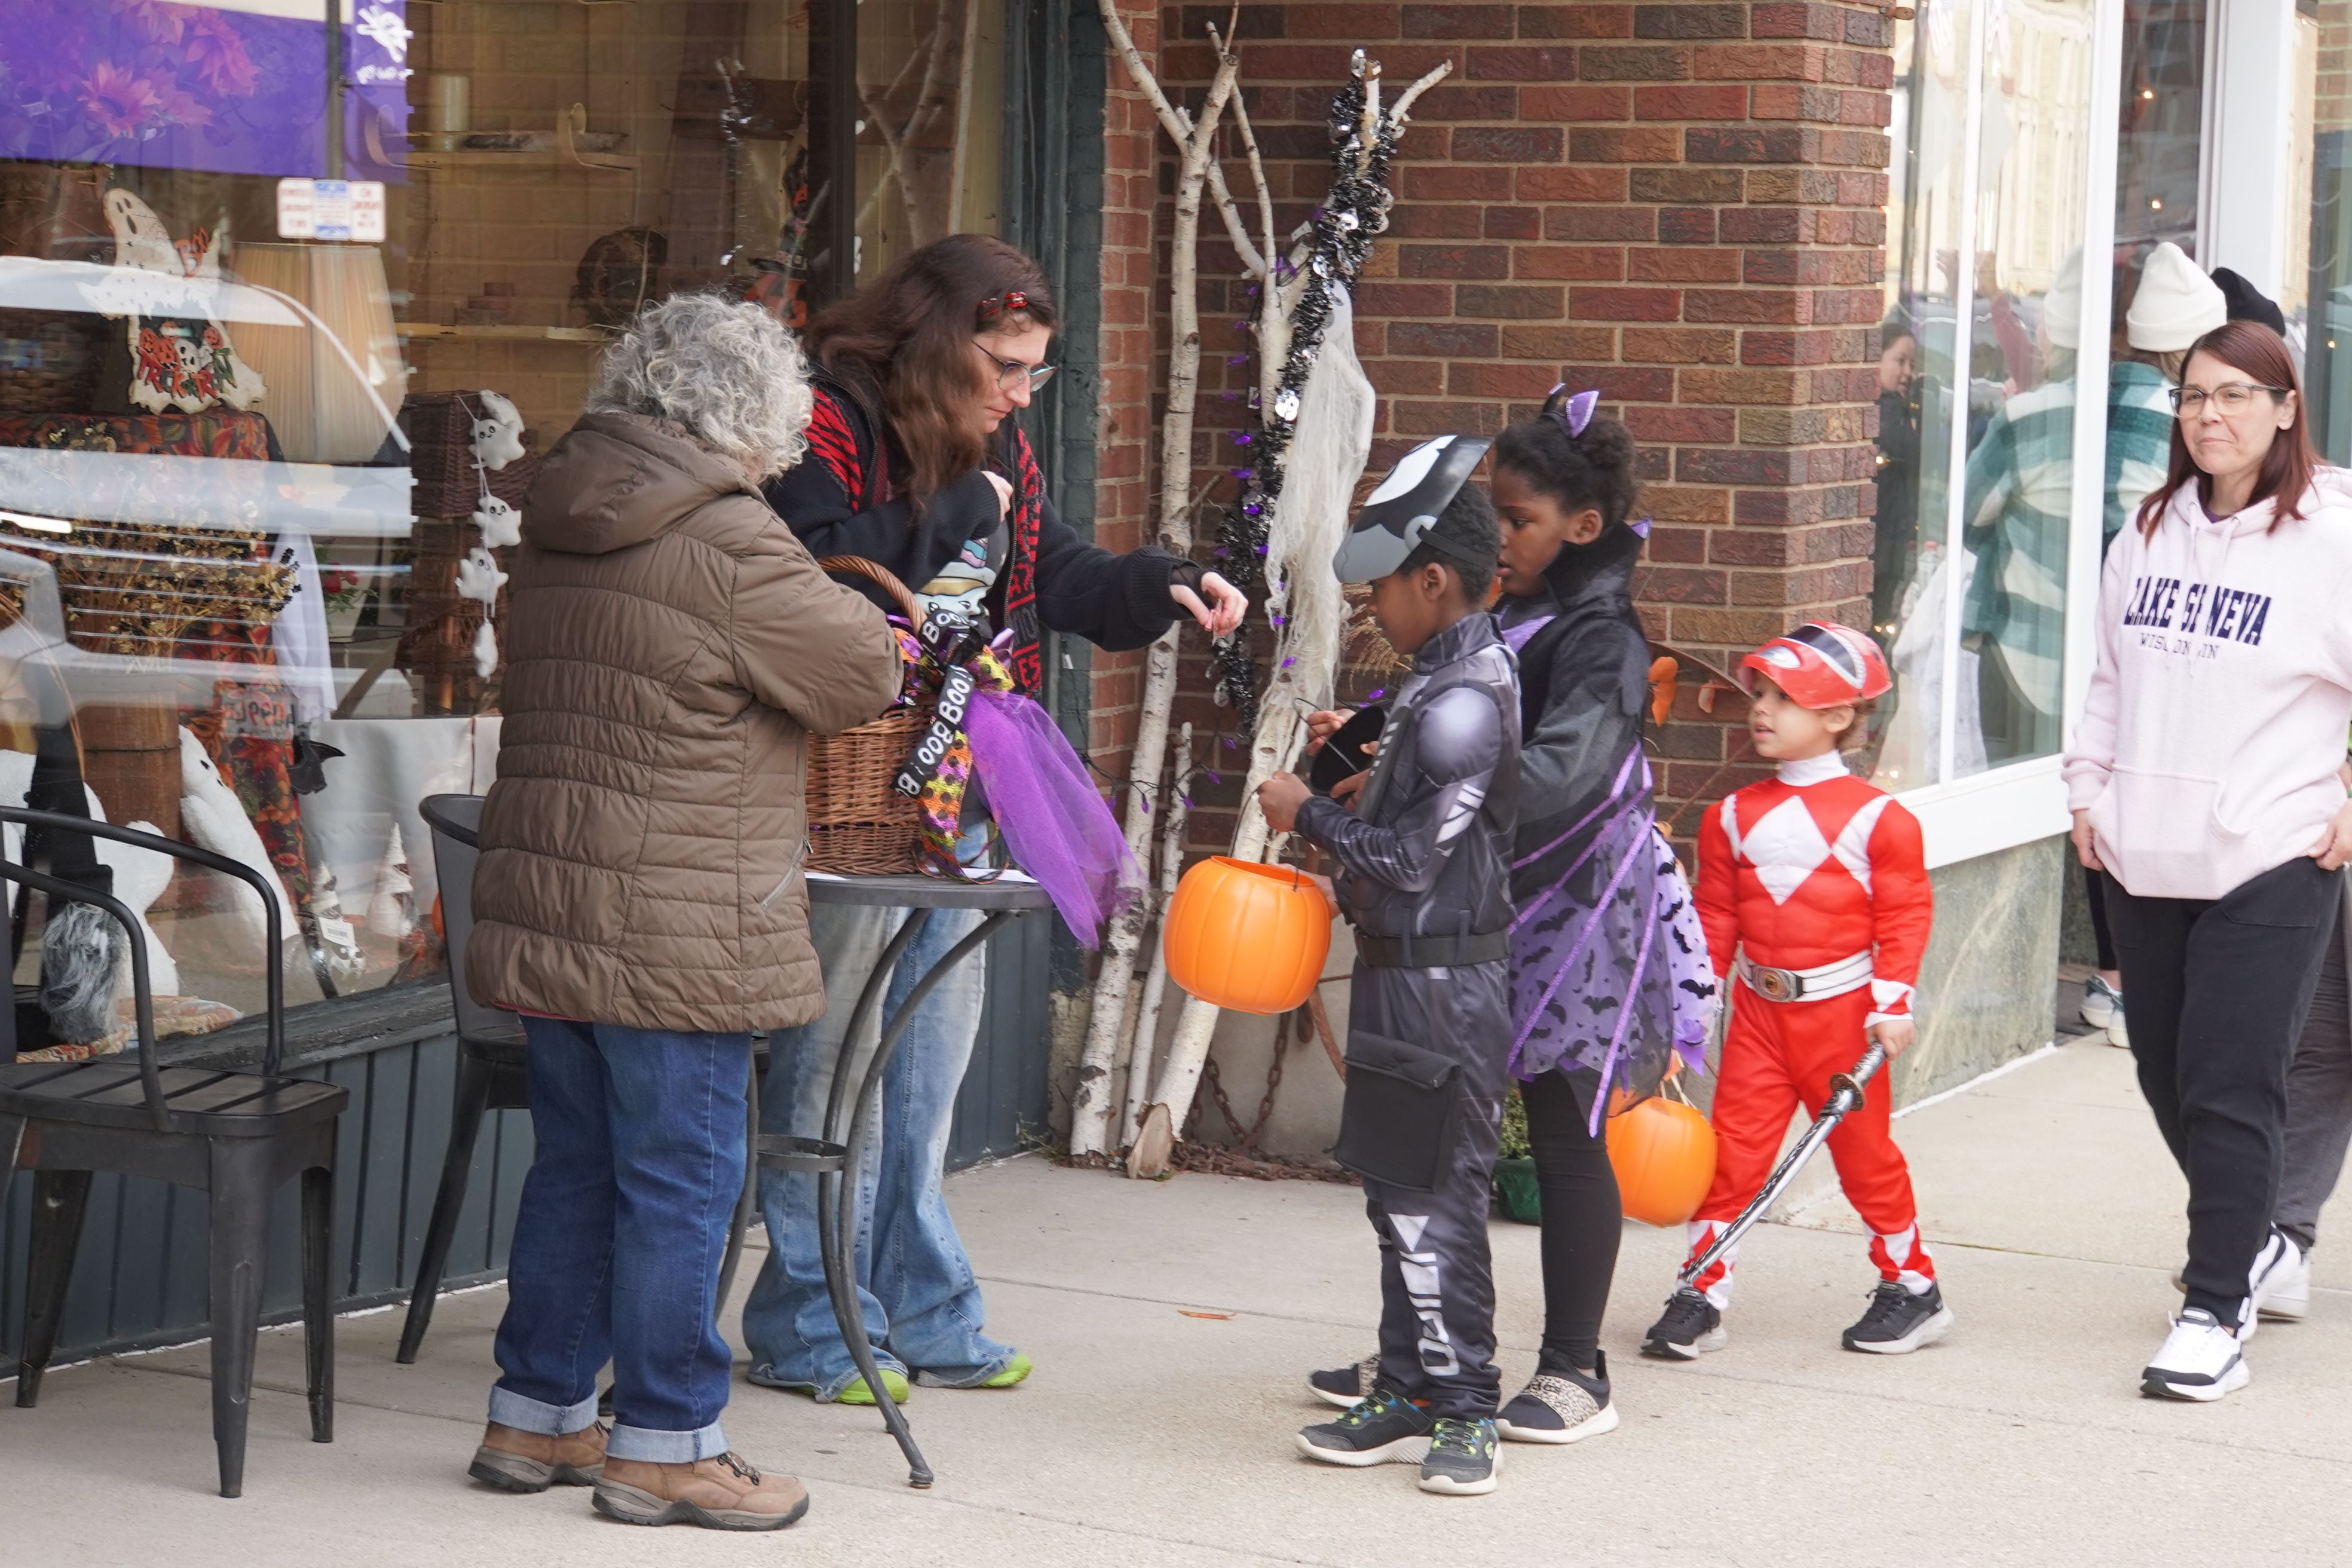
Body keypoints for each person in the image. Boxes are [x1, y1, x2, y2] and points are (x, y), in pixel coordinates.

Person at [743, 234, 1247, 1405]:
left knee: (923, 1071)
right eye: (1007, 366)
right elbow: (806, 577)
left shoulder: (1000, 436)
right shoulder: (828, 426)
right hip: (849, 799)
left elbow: (1052, 573)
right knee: (834, 1067)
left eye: (1037, 370)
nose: (1023, 393)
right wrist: (965, 498)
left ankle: (919, 1307)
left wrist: (1161, 581)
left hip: (961, 789)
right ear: (935, 348)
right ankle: (814, 1324)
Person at [464, 293, 904, 1529]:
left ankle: (536, 1414)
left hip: (550, 907)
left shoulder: (557, 514)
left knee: (576, 1170)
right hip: (678, 922)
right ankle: (666, 1440)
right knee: (682, 1180)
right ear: (749, 417)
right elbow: (863, 669)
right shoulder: (730, 535)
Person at [1300, 390, 1716, 1448]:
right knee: (1442, 1132)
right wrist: (1368, 744)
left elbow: (1561, 773)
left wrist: (1421, 785)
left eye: (1518, 520)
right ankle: (1427, 1351)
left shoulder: (1602, 638)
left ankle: (1577, 1364)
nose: (1499, 536)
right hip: (1477, 896)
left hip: (1572, 905)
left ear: (1581, 527)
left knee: (1568, 1125)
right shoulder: (1508, 614)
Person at [2062, 317, 2352, 1401]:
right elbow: (2106, 677)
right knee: (2164, 1071)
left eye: (2237, 395)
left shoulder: (2333, 536)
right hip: (2142, 850)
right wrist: (2086, 788)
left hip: (2270, 851)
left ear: (2285, 407)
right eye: (2194, 396)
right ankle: (2258, 1243)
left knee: (2232, 1083)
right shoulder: (2148, 528)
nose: (2211, 415)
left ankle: (2213, 1307)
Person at [1257, 434, 1519, 1496]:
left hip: (1442, 982)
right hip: (1407, 972)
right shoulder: (1437, 678)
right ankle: (1410, 1381)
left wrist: (1305, 810)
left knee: (1434, 1199)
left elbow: (1412, 861)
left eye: (1380, 597)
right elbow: (1418, 812)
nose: (1371, 614)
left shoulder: (1462, 696)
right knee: (1394, 1189)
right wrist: (1361, 762)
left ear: (1434, 579)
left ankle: (1467, 1407)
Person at [1643, 623, 1949, 1360]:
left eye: (1786, 698)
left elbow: (1905, 912)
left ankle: (1912, 1284)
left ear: (1839, 715)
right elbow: (1713, 918)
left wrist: (1893, 1000)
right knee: (1734, 1156)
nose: (1762, 709)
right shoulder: (1730, 817)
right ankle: (1701, 1291)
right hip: (1757, 1015)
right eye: (1761, 694)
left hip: (1844, 1019)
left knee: (1865, 1155)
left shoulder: (1882, 819)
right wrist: (1691, 1011)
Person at [2078, 244, 2230, 1045]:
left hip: (2074, 627)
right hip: (2155, 631)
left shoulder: (2076, 401)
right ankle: (2130, 981)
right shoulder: (2176, 419)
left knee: (2104, 789)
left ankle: (2118, 977)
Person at [1872, 313, 1922, 634]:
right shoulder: (1887, 410)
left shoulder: (1895, 410)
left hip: (1889, 542)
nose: (1907, 373)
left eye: (1911, 364)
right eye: (1899, 361)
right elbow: (1912, 450)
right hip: (1882, 545)